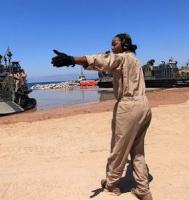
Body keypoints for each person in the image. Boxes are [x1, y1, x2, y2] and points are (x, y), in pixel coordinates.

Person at [51, 33, 153, 200]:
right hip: (144, 106)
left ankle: (112, 184)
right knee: (138, 150)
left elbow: (102, 60)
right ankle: (143, 189)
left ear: (124, 44)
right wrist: (85, 62)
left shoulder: (121, 58)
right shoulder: (135, 60)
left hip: (128, 107)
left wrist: (72, 59)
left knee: (118, 149)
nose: (112, 47)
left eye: (115, 44)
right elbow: (103, 63)